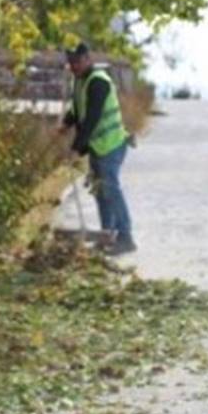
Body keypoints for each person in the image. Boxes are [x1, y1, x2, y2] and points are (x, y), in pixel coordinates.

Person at [59, 43, 136, 255]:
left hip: (111, 144)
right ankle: (107, 236)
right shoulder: (80, 80)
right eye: (70, 62)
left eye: (77, 62)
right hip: (97, 147)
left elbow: (91, 119)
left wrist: (76, 148)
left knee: (111, 190)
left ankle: (126, 237)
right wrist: (66, 124)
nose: (73, 66)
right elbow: (77, 109)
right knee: (101, 192)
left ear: (87, 59)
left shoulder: (98, 82)